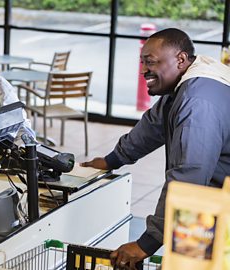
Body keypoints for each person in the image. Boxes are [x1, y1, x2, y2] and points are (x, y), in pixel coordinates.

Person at [81, 28, 230, 269]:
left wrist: (146, 244)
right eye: (142, 62)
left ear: (180, 59)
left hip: (213, 208)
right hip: (204, 203)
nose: (143, 71)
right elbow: (152, 127)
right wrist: (111, 160)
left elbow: (188, 179)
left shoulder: (197, 103)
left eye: (150, 62)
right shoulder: (187, 83)